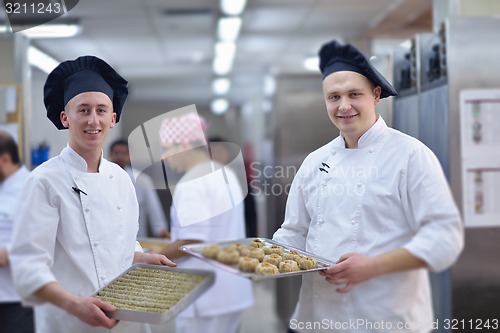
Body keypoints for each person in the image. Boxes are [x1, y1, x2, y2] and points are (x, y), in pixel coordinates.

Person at [272, 40, 464, 332]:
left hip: (384, 319)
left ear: (375, 95)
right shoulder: (315, 161)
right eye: (334, 97)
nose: (344, 106)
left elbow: (445, 238)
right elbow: (295, 233)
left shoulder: (410, 155)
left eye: (354, 94)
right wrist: (254, 259)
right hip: (318, 319)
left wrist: (373, 266)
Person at [9, 55, 175, 333]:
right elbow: (27, 266)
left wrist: (138, 256)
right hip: (69, 321)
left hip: (127, 319)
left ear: (113, 118)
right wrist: (74, 304)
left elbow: (119, 240)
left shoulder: (121, 179)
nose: (93, 120)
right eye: (83, 110)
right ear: (65, 117)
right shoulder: (44, 181)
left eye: (101, 110)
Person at [156, 113, 253, 333]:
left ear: (183, 145)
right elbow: (216, 229)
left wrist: (157, 255)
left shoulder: (191, 182)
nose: (164, 157)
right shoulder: (224, 173)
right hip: (230, 289)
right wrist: (173, 238)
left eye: (166, 148)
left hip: (204, 295)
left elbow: (193, 240)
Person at [0, 131, 34, 333]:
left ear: (4, 159)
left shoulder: (31, 187)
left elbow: (46, 239)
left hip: (18, 300)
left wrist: (7, 253)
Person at [109, 138, 169, 238]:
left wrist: (161, 233)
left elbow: (154, 210)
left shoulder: (142, 180)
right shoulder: (101, 177)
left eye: (124, 153)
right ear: (110, 155)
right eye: (116, 153)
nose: (120, 156)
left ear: (130, 156)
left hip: (137, 238)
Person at [208, 135, 258, 237]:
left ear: (227, 154)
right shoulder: (202, 183)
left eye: (220, 151)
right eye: (212, 152)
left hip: (236, 239)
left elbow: (251, 214)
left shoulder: (239, 180)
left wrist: (253, 236)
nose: (216, 156)